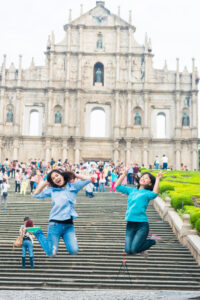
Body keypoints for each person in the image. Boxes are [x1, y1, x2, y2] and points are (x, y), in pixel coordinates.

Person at [27, 169, 92, 257]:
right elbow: (36, 194)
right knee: (51, 253)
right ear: (52, 181)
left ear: (62, 175)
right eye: (53, 178)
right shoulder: (52, 190)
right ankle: (38, 232)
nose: (56, 178)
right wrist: (46, 182)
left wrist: (73, 175)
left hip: (69, 226)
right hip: (55, 224)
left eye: (57, 175)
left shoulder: (73, 187)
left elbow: (89, 179)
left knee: (74, 251)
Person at [115, 168, 163, 257]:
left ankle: (153, 240)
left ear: (150, 183)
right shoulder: (132, 190)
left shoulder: (147, 193)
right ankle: (143, 248)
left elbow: (155, 193)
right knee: (128, 251)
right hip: (130, 223)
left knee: (133, 250)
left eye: (146, 178)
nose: (143, 178)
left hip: (142, 224)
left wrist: (158, 179)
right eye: (143, 176)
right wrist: (123, 174)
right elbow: (117, 186)